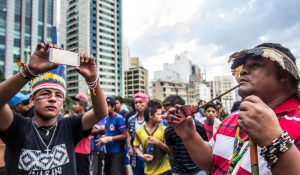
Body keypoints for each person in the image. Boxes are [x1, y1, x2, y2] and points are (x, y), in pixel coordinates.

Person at [171, 43, 300, 174]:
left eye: (255, 65)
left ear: (284, 75)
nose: (243, 71)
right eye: (244, 67)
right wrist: (190, 136)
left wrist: (274, 140)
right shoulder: (232, 119)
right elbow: (212, 162)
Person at [0, 43, 107, 175]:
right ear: (32, 99)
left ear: (62, 103)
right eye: (45, 93)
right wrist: (29, 71)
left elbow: (100, 112)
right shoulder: (18, 126)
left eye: (58, 95)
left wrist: (92, 81)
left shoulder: (69, 127)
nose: (52, 99)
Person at [163, 95, 208, 175]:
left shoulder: (198, 126)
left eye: (170, 111)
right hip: (178, 171)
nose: (167, 115)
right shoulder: (168, 130)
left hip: (198, 170)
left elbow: (206, 145)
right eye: (165, 112)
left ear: (180, 109)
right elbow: (171, 151)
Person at [133, 100, 171, 175]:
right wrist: (142, 156)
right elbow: (135, 146)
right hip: (148, 171)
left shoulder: (164, 129)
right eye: (159, 114)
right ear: (150, 115)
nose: (161, 116)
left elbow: (169, 150)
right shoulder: (139, 131)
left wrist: (158, 142)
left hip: (164, 170)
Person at [97, 97, 127, 175]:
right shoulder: (107, 118)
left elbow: (125, 135)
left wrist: (110, 138)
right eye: (104, 106)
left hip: (117, 152)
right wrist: (103, 139)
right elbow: (109, 132)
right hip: (108, 151)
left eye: (107, 106)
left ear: (113, 107)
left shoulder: (119, 118)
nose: (105, 108)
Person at [127, 92, 149, 175]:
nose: (137, 105)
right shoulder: (131, 119)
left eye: (141, 102)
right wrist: (129, 147)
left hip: (151, 156)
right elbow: (128, 134)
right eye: (136, 102)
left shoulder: (152, 118)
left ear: (146, 103)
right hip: (137, 156)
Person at [71, 93, 91, 175]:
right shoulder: (75, 117)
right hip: (75, 151)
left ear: (82, 106)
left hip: (82, 152)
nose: (73, 106)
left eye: (75, 104)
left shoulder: (86, 117)